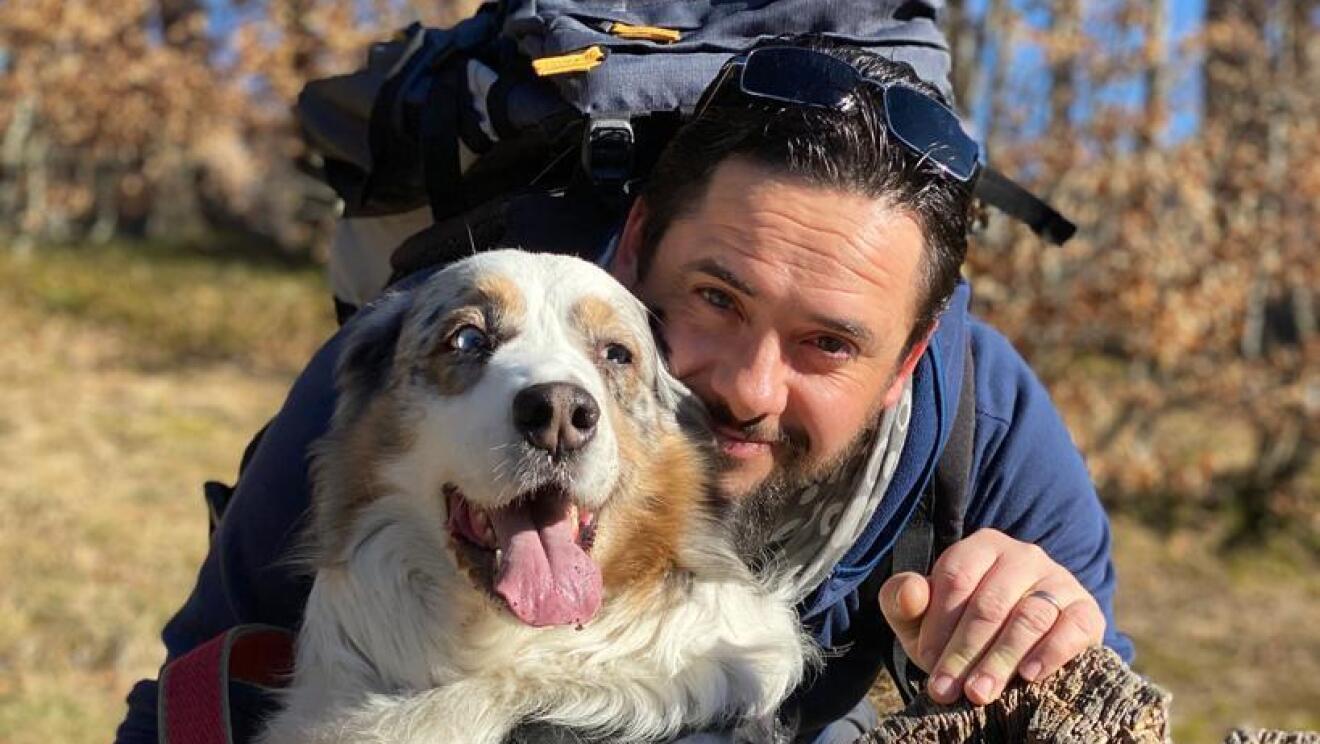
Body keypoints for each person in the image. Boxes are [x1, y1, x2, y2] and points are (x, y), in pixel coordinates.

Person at [115, 36, 1132, 744]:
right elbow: (190, 700)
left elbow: (1105, 704)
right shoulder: (400, 367)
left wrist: (1050, 652)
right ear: (639, 246)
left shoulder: (989, 427)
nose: (747, 389)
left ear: (907, 360)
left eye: (827, 344)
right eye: (717, 299)